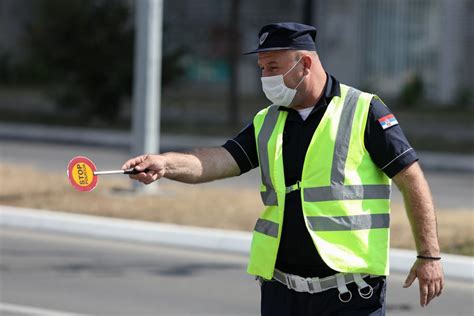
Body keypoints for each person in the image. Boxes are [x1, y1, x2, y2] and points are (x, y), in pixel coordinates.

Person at [122, 22, 444, 316]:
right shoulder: (268, 120)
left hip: (349, 296)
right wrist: (165, 163)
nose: (265, 77)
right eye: (261, 68)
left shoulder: (362, 110)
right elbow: (218, 160)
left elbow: (411, 178)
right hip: (281, 293)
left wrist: (428, 255)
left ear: (304, 64)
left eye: (273, 67)